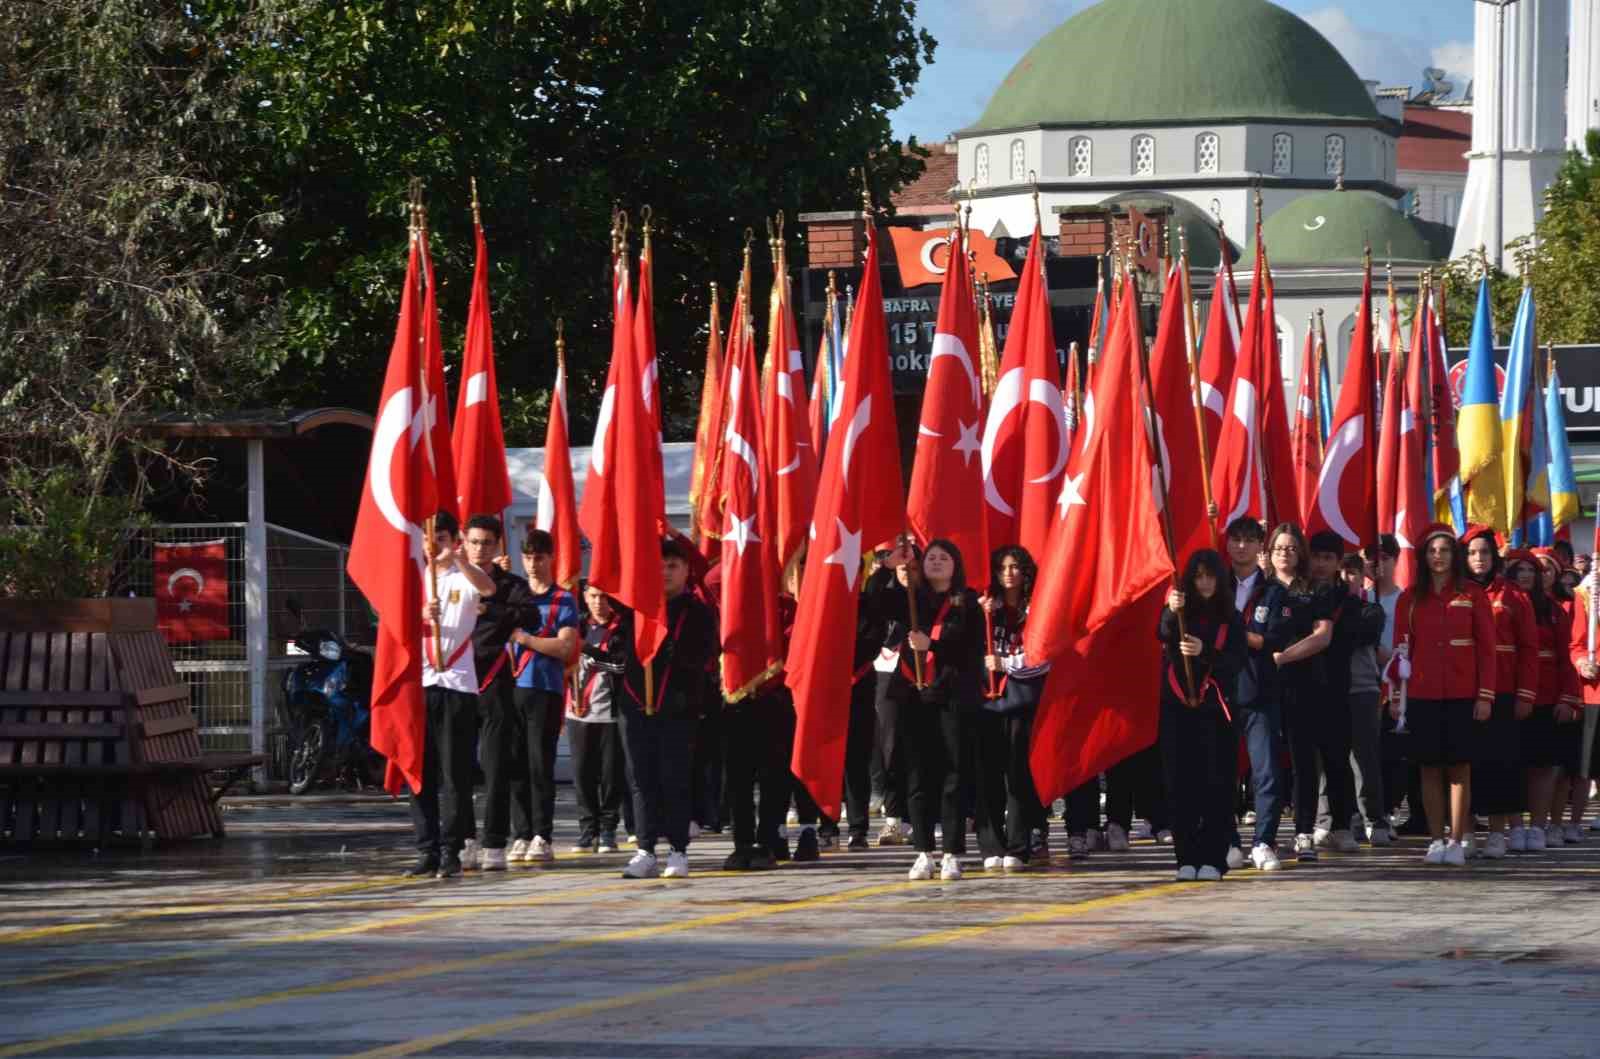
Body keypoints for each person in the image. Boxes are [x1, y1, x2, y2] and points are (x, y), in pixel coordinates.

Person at [872, 538, 982, 881]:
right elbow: (874, 602)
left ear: (956, 564)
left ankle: (951, 852)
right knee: (917, 777)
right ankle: (923, 852)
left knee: (952, 776)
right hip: (913, 696)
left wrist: (933, 644)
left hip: (951, 698)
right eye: (930, 557)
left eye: (943, 558)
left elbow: (969, 648)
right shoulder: (911, 598)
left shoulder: (968, 602)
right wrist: (889, 566)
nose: (935, 562)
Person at [1390, 523, 1496, 866]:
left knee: (1460, 769)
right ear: (1423, 556)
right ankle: (1435, 840)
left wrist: (1485, 695)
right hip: (1422, 693)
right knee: (1429, 769)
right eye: (1433, 551)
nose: (1439, 556)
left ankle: (1456, 840)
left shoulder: (1472, 594)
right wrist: (1396, 697)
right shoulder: (1409, 597)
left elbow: (1487, 649)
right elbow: (1399, 653)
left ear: (1455, 555)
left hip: (1464, 693)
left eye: (1445, 550)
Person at [618, 537, 717, 880]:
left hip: (677, 707)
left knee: (674, 778)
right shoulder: (637, 608)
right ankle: (645, 849)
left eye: (672, 566)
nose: (664, 573)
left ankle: (678, 849)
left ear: (686, 570)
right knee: (640, 779)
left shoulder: (697, 612)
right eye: (658, 566)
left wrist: (668, 647)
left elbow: (704, 654)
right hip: (634, 705)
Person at [408, 510, 498, 879]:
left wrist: (460, 558)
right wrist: (419, 613)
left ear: (452, 540)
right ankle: (427, 848)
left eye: (442, 538)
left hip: (457, 686)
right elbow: (389, 623)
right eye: (429, 539)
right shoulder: (414, 578)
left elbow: (489, 588)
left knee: (454, 774)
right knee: (420, 773)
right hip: (420, 685)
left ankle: (452, 849)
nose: (434, 546)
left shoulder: (466, 576)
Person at [457, 514, 542, 872]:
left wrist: (491, 609)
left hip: (494, 680)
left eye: (487, 543)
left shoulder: (510, 585)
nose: (480, 549)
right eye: (474, 542)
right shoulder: (445, 579)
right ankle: (463, 838)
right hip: (455, 682)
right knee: (456, 768)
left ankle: (494, 841)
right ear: (463, 541)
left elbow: (531, 618)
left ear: (497, 546)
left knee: (496, 766)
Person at [1158, 550, 1246, 881]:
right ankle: (1186, 856)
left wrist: (1205, 652)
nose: (1205, 582)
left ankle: (1214, 856)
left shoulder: (1231, 618)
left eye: (1210, 576)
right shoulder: (1179, 613)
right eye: (1198, 576)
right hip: (1177, 710)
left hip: (1216, 711)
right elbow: (1163, 632)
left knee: (1217, 785)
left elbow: (1237, 662)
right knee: (1180, 785)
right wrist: (1171, 609)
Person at [502, 529, 579, 862]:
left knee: (539, 763)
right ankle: (520, 832)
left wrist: (526, 639)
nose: (533, 564)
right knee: (514, 764)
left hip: (544, 689)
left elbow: (564, 646)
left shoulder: (564, 599)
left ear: (552, 558)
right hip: (509, 688)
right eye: (529, 557)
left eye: (540, 557)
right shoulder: (514, 595)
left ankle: (541, 835)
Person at [1263, 525, 1340, 863]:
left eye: (1292, 548)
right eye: (1279, 548)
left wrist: (1283, 657)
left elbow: (1322, 636)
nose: (1285, 553)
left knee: (1303, 763)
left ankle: (1304, 832)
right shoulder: (1258, 588)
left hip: (1305, 685)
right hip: (1263, 687)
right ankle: (1265, 836)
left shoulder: (1315, 590)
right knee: (1266, 764)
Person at [1462, 529, 1536, 859]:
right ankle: (1463, 829)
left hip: (1503, 691)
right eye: (1472, 553)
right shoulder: (1455, 592)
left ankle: (1496, 832)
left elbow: (1530, 648)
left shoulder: (1513, 595)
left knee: (1499, 762)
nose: (1479, 559)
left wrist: (1524, 694)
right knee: (1463, 763)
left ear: (1495, 557)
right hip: (1461, 689)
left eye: (1485, 553)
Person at [975, 545, 1046, 870]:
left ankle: (1018, 847)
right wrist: (979, 614)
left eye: (1015, 567)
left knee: (1018, 773)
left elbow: (1043, 657)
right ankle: (991, 844)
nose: (1008, 573)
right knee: (989, 773)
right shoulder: (986, 608)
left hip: (1021, 700)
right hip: (986, 701)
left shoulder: (1036, 609)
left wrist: (1007, 663)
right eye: (1002, 567)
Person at [1226, 516, 1284, 872]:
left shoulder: (1274, 591)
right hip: (1221, 692)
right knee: (1223, 772)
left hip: (1261, 692)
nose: (1242, 546)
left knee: (1266, 773)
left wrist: (1233, 629)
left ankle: (1263, 841)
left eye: (1249, 540)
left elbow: (1270, 640)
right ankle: (1229, 841)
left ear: (1260, 545)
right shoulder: (1215, 586)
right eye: (1236, 539)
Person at [1527, 549, 1583, 848]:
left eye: (1548, 569)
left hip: (1556, 691)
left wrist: (1569, 696)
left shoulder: (1565, 607)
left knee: (1559, 766)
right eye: (1538, 569)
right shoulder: (1521, 604)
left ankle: (1556, 822)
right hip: (1526, 692)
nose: (1543, 574)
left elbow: (1568, 654)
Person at [569, 585, 629, 855]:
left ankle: (607, 829)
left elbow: (620, 665)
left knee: (610, 775)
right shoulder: (578, 625)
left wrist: (589, 651)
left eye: (603, 596)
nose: (597, 602)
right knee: (582, 774)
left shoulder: (621, 627)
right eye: (592, 596)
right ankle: (587, 830)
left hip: (609, 713)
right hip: (577, 710)